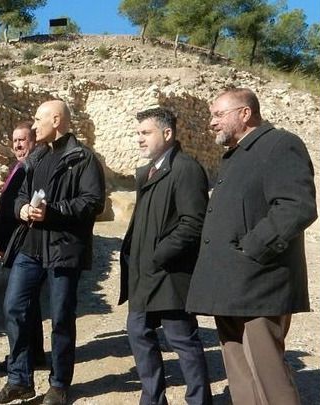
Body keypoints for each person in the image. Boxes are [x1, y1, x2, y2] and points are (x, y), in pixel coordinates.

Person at [186, 88, 317, 405]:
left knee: (269, 377)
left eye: (218, 115)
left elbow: (296, 207)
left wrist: (251, 249)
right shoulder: (237, 154)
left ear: (245, 113)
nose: (211, 123)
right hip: (229, 285)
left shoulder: (280, 144)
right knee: (240, 373)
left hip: (259, 283)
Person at [0, 100, 105, 405]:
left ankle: (59, 384)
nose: (34, 126)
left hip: (63, 249)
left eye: (38, 121)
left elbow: (92, 203)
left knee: (62, 316)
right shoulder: (37, 156)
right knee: (14, 307)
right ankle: (19, 380)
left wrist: (53, 212)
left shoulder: (83, 158)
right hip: (30, 246)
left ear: (57, 119)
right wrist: (21, 208)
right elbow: (20, 194)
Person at [119, 107, 212, 405]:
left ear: (167, 133)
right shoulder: (147, 172)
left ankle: (199, 400)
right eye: (138, 134)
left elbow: (193, 224)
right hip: (144, 275)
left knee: (182, 340)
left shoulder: (186, 169)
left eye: (146, 133)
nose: (139, 140)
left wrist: (158, 256)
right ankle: (153, 399)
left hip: (171, 275)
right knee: (138, 333)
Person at [0, 121, 45, 373]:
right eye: (14, 141)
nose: (17, 145)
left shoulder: (32, 168)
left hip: (26, 244)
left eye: (22, 139)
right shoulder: (20, 166)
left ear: (34, 140)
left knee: (19, 304)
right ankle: (33, 354)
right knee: (29, 304)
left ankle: (21, 360)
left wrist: (5, 242)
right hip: (15, 243)